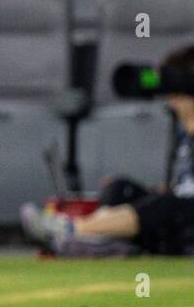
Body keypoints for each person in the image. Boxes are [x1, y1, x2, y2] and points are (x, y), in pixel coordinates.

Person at [22, 46, 194, 256]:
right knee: (120, 189)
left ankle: (71, 230)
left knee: (169, 205)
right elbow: (186, 186)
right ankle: (103, 243)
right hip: (181, 220)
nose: (172, 100)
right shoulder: (184, 131)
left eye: (177, 92)